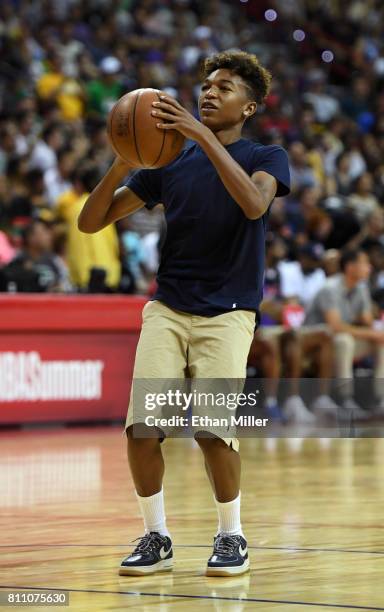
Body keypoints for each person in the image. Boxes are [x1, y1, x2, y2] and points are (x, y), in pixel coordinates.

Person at [78, 50, 290, 577]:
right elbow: (91, 221)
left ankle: (231, 537)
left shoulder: (267, 156)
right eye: (207, 84)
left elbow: (253, 205)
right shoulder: (169, 161)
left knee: (213, 431)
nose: (210, 92)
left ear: (250, 106)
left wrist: (202, 137)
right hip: (168, 309)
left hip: (229, 313)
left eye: (225, 87)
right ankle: (156, 536)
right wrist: (124, 158)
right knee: (143, 429)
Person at [305, 249, 384, 416]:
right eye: (364, 263)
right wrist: (372, 333)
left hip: (341, 342)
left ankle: (380, 399)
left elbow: (368, 322)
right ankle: (345, 399)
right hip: (314, 345)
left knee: (380, 342)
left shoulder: (361, 288)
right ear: (350, 267)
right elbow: (335, 327)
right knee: (344, 340)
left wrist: (373, 328)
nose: (369, 267)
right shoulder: (330, 288)